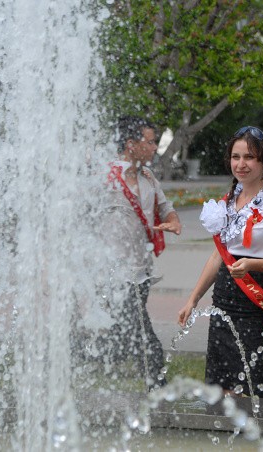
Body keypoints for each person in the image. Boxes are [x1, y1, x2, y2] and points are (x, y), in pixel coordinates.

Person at [178, 125, 263, 399]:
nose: (241, 164)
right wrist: (192, 299)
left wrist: (251, 264)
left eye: (249, 157)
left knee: (254, 389)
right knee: (220, 390)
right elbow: (218, 256)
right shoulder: (229, 200)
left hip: (254, 307)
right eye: (235, 157)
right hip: (223, 305)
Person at [104, 116, 181, 391]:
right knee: (143, 337)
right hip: (113, 275)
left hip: (142, 272)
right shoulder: (105, 177)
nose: (153, 148)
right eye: (149, 142)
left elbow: (165, 205)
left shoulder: (148, 177)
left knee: (121, 335)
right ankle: (158, 389)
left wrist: (172, 220)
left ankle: (84, 360)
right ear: (131, 144)